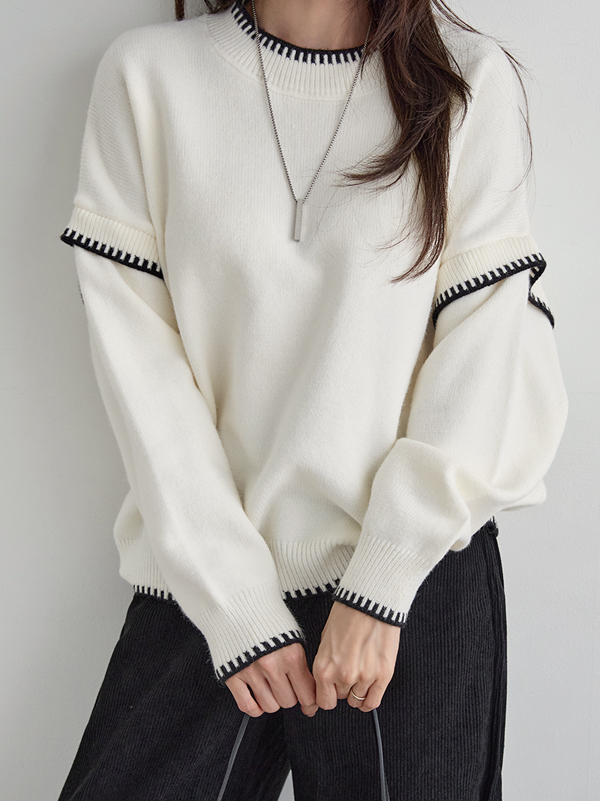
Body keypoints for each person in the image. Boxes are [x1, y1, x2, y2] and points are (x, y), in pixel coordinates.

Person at [56, 0, 569, 799]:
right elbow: (140, 370)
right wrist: (234, 601)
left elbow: (486, 352)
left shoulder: (465, 83)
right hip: (207, 578)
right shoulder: (149, 77)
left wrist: (383, 580)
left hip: (411, 585)